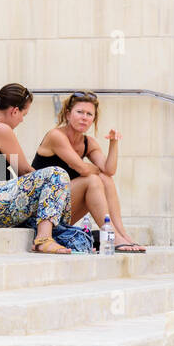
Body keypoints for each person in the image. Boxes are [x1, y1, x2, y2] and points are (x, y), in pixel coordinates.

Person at [0, 83, 75, 254]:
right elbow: (24, 171)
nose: (22, 120)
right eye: (23, 114)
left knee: (54, 185)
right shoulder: (0, 129)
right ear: (14, 110)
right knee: (57, 174)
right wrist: (53, 184)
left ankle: (51, 234)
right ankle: (43, 239)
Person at [32, 91, 145, 252]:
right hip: (41, 210)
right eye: (79, 112)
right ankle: (112, 235)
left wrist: (113, 143)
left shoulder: (88, 143)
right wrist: (94, 170)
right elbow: (83, 169)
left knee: (104, 179)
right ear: (68, 114)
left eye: (89, 114)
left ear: (93, 119)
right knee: (93, 179)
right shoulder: (56, 136)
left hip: (60, 210)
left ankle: (122, 235)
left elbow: (109, 170)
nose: (84, 117)